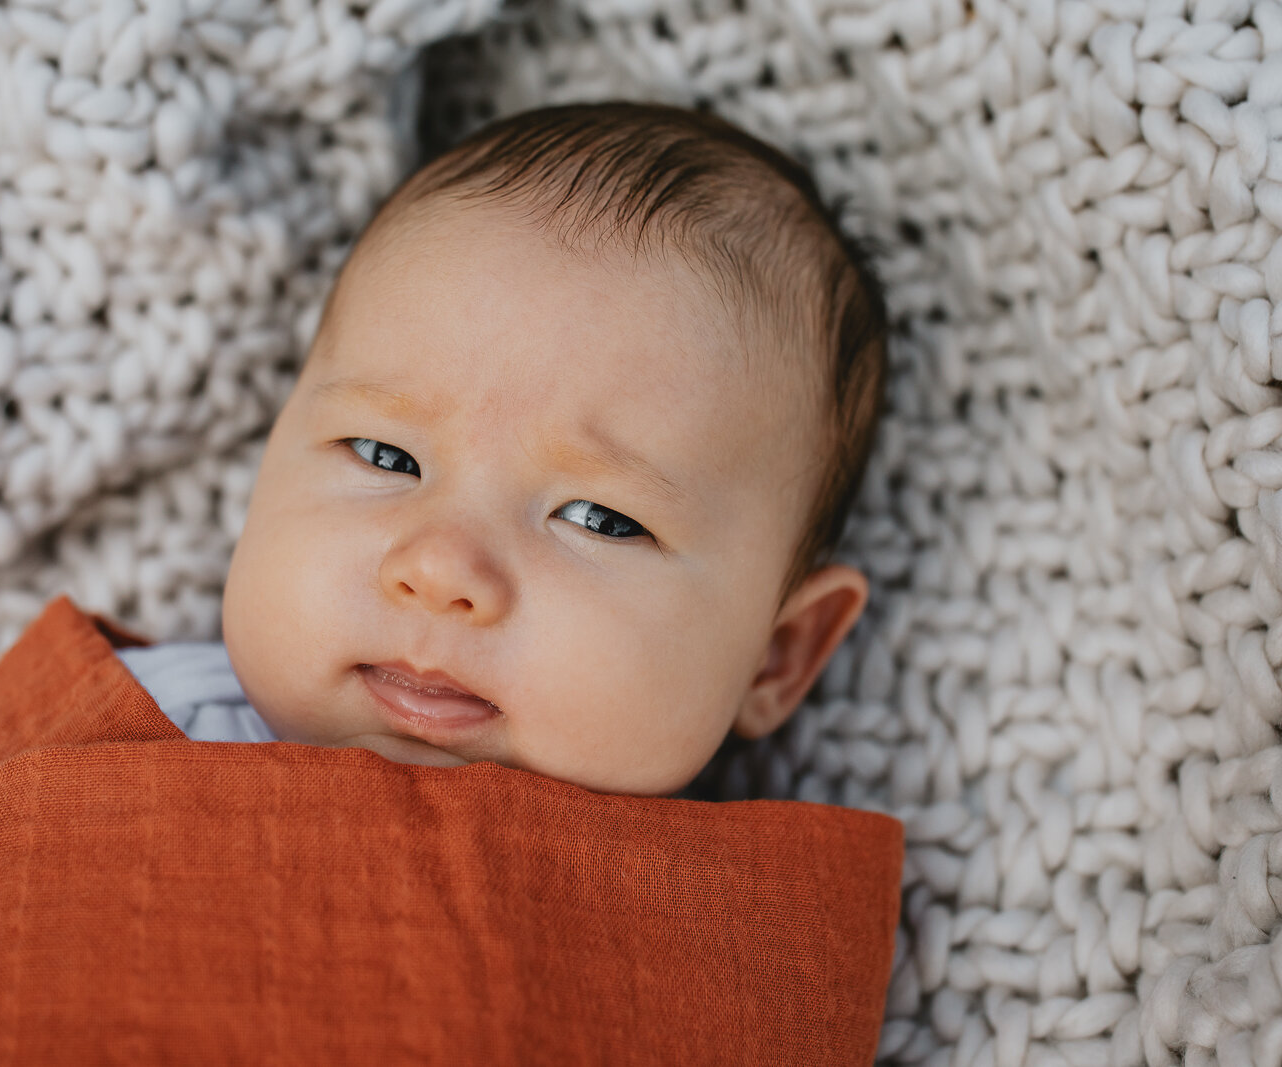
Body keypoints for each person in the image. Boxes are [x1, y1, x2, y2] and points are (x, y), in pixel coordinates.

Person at [121, 100, 890, 798]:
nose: (442, 569)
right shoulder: (119, 735)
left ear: (775, 656)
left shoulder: (748, 922)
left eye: (598, 517)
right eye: (386, 456)